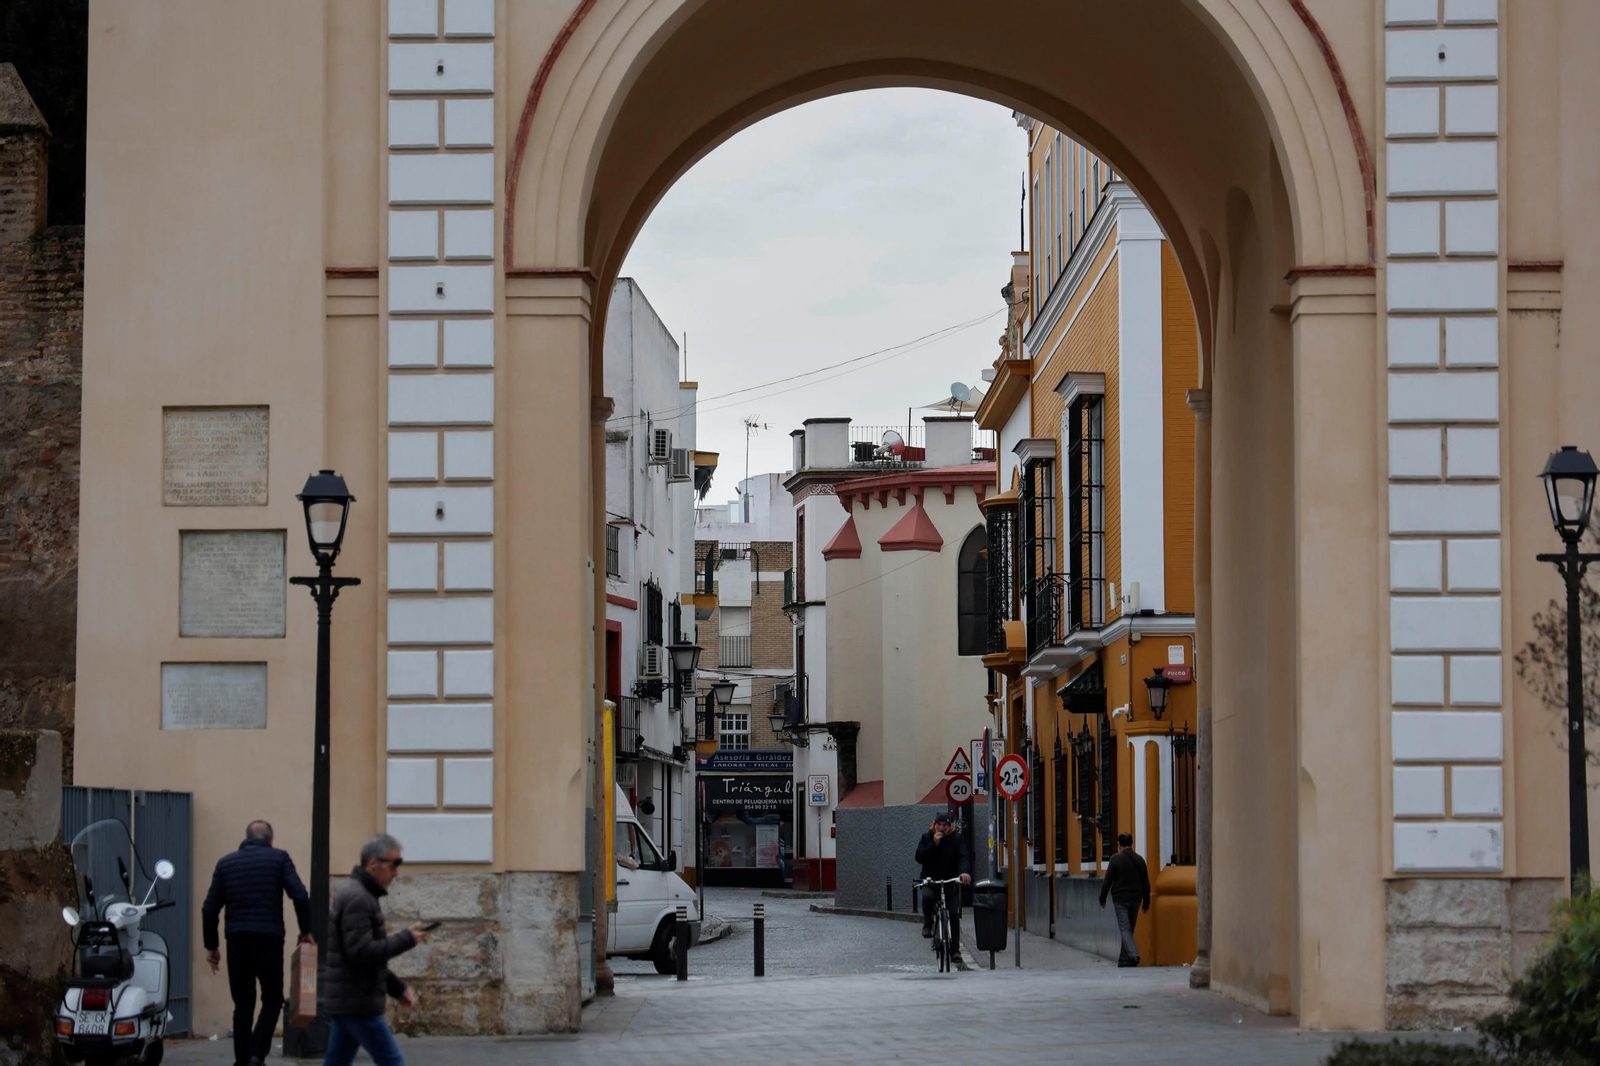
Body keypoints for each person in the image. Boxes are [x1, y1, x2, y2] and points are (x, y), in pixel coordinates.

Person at [200, 820, 313, 1066]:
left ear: (246, 838)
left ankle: (242, 1061)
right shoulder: (279, 859)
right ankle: (256, 1055)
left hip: (237, 941)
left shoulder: (225, 863)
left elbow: (209, 909)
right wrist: (306, 930)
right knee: (272, 1000)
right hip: (269, 940)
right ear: (270, 840)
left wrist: (212, 946)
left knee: (243, 1004)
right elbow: (300, 895)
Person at [322, 834, 430, 1066]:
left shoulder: (358, 893)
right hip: (358, 1001)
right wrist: (406, 939)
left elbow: (363, 955)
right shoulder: (358, 898)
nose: (396, 873)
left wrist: (397, 988)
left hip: (349, 998)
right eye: (394, 865)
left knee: (337, 1061)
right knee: (392, 1061)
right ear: (373, 864)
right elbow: (362, 952)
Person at [914, 810, 972, 961]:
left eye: (944, 825)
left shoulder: (957, 838)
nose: (941, 828)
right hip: (930, 880)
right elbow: (919, 857)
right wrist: (934, 844)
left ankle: (955, 951)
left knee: (953, 914)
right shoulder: (927, 837)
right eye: (938, 824)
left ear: (949, 826)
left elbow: (963, 857)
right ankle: (928, 923)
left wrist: (964, 872)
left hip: (949, 881)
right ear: (934, 825)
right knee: (927, 897)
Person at [1098, 832, 1151, 967]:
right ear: (1131, 843)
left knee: (1124, 928)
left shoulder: (1115, 859)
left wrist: (1102, 898)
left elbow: (1107, 880)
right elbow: (1146, 882)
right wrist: (1146, 902)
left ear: (1119, 845)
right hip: (1136, 898)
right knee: (1129, 929)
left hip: (1120, 899)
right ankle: (1123, 960)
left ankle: (1133, 955)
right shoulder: (1140, 860)